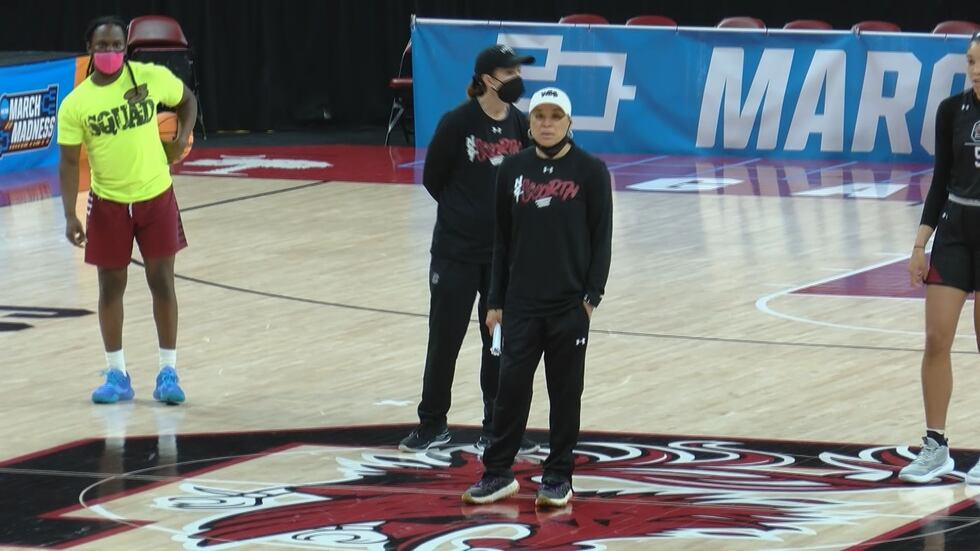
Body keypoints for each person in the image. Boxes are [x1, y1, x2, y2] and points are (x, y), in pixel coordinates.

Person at [462, 87, 613, 508]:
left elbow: (602, 239)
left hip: (568, 306)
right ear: (530, 123)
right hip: (520, 305)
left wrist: (590, 298)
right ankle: (497, 474)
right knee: (509, 391)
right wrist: (495, 301)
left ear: (569, 122)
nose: (546, 123)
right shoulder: (512, 169)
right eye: (540, 116)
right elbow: (501, 241)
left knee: (565, 394)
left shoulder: (591, 171)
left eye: (555, 116)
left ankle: (559, 476)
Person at [399, 45, 540, 454]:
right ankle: (432, 423)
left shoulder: (520, 125)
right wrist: (466, 214)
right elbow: (433, 178)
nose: (516, 77)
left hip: (503, 258)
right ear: (487, 78)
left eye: (517, 70)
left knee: (499, 344)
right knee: (445, 339)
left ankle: (496, 425)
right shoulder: (457, 122)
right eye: (509, 70)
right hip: (456, 252)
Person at [57, 16, 198, 405]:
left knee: (162, 282)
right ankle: (116, 373)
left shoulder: (149, 77)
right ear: (90, 50)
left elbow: (188, 100)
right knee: (109, 287)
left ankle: (168, 372)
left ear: (126, 48)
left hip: (156, 195)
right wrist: (70, 214)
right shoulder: (76, 104)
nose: (109, 52)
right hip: (108, 203)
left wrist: (182, 137)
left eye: (116, 45)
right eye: (102, 46)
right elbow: (69, 162)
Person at [900, 32, 980, 484]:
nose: (975, 69)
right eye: (971, 61)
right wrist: (919, 245)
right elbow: (940, 180)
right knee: (936, 339)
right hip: (953, 232)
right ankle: (936, 446)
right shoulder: (951, 110)